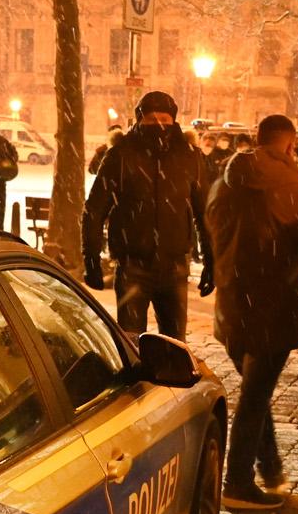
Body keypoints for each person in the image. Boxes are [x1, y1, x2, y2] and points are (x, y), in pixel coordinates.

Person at [208, 114, 298, 510]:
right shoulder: (282, 185)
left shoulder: (223, 182)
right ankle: (237, 482)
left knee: (255, 392)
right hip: (271, 305)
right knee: (254, 399)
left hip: (233, 304)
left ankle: (270, 468)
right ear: (290, 144)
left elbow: (211, 232)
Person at [82, 90, 212, 340]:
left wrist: (211, 262)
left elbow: (203, 212)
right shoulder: (120, 155)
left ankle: (169, 369)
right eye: (151, 119)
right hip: (133, 264)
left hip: (174, 265)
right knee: (131, 341)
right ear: (140, 119)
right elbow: (94, 210)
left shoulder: (189, 156)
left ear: (173, 120)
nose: (158, 124)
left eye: (164, 119)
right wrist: (91, 258)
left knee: (174, 343)